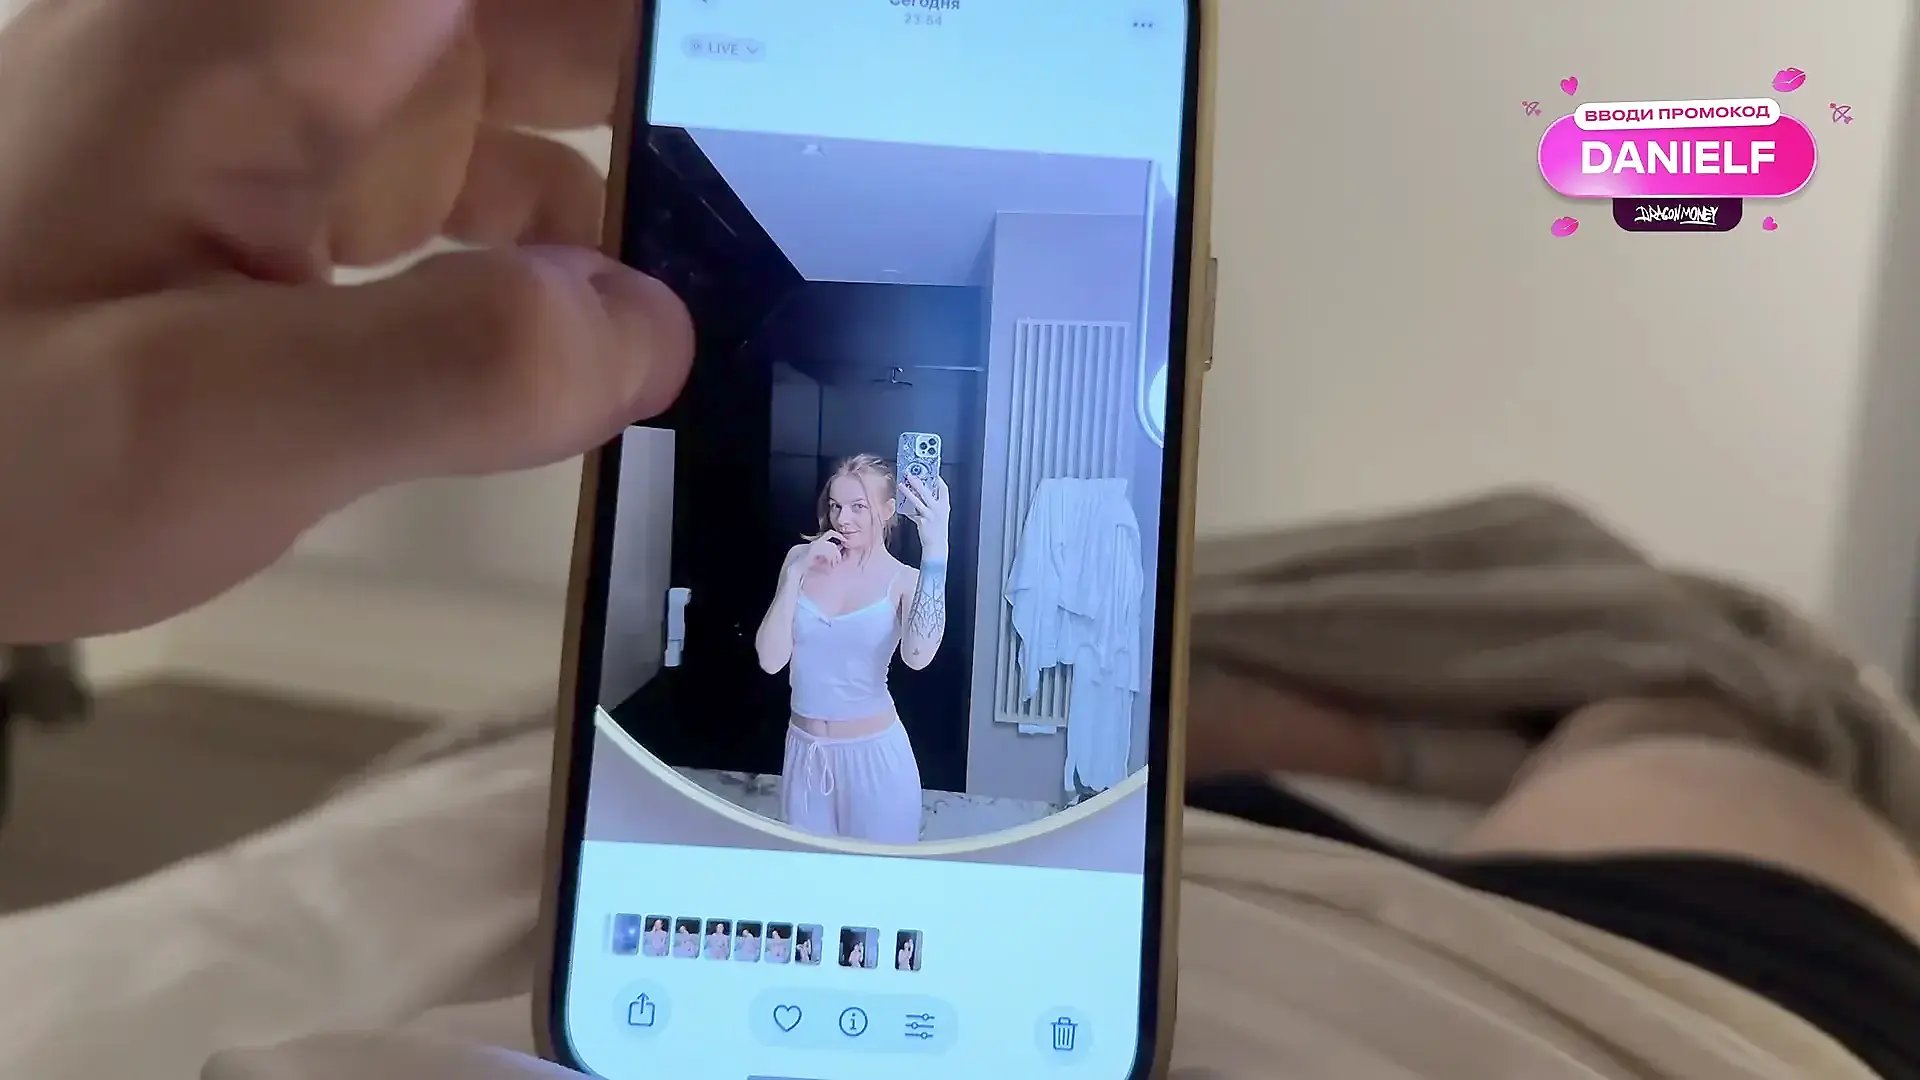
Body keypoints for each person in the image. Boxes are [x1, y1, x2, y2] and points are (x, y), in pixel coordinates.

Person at [7, 2, 1920, 1079]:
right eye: (843, 496)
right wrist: (796, 587)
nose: (847, 502)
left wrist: (916, 549)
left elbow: (927, 671)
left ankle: (1327, 735)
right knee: (1701, 724)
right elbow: (764, 672)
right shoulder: (804, 563)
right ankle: (1409, 737)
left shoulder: (905, 555)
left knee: (1257, 723)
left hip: (882, 767)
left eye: (860, 495)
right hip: (865, 781)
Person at [753, 454, 951, 844]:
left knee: (876, 877)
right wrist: (795, 575)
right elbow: (770, 660)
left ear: (888, 510)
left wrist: (936, 550)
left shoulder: (904, 580)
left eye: (858, 507)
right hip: (805, 753)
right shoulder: (799, 559)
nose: (843, 519)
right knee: (807, 875)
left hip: (874, 758)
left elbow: (919, 657)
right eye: (836, 506)